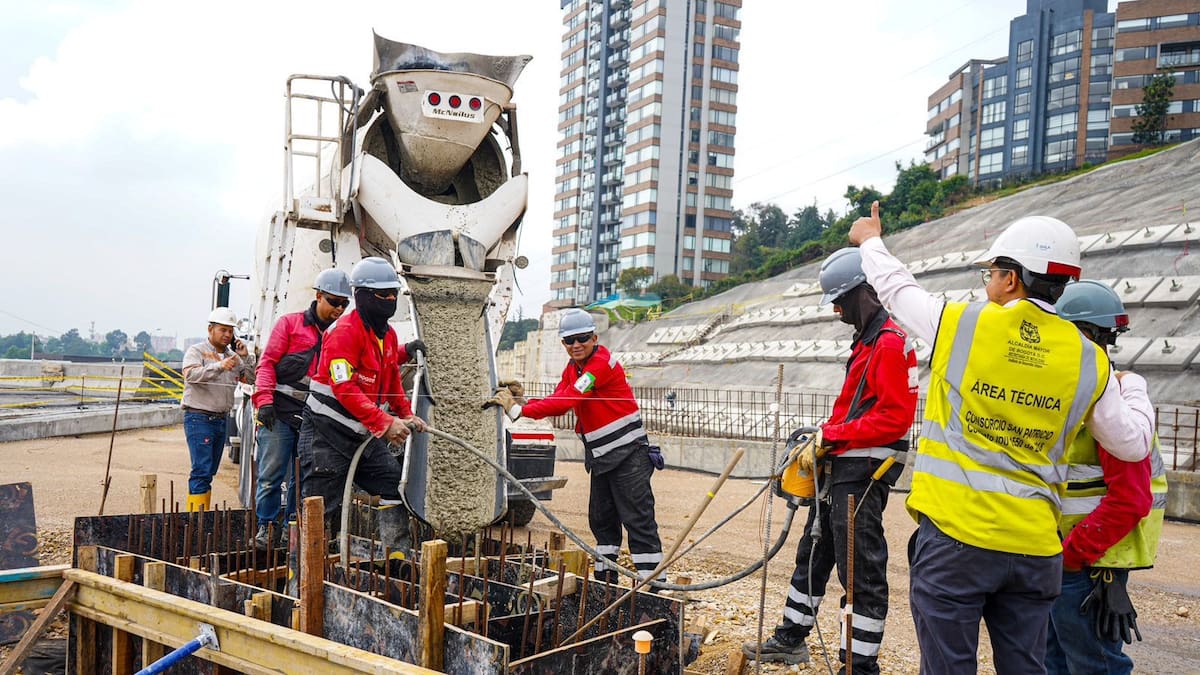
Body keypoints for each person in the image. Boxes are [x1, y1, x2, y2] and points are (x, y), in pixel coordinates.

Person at [848, 202, 1154, 674]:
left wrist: (871, 239)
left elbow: (897, 289)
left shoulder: (965, 325)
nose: (987, 284)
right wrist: (1132, 387)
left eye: (990, 274)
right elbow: (1132, 445)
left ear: (1012, 278)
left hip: (956, 541)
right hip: (1034, 552)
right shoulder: (1088, 358)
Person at [742, 248, 919, 671]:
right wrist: (820, 438)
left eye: (841, 300)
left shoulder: (890, 344)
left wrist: (831, 435)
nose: (837, 310)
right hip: (843, 470)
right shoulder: (867, 342)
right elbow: (853, 409)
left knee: (860, 571)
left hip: (865, 475)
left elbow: (894, 419)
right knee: (814, 550)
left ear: (867, 293)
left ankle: (860, 666)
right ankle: (791, 638)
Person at [484, 308, 666, 582]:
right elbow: (560, 396)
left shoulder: (599, 366)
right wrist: (524, 402)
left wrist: (518, 412)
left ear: (594, 338)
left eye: (582, 338)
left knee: (637, 518)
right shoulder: (574, 369)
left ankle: (652, 582)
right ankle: (606, 580)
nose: (576, 345)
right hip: (604, 457)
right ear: (563, 344)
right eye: (570, 341)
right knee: (601, 519)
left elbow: (569, 401)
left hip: (630, 455)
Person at [1046, 280, 1167, 675]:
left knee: (1095, 665)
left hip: (1086, 563)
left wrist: (1070, 558)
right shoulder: (1077, 393)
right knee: (1053, 662)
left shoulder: (1113, 402)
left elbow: (1131, 499)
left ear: (1081, 334)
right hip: (1065, 558)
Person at [298, 256, 427, 558]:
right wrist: (385, 423)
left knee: (392, 484)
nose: (390, 299)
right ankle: (301, 579)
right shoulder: (344, 333)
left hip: (361, 436)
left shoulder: (388, 336)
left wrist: (406, 413)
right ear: (362, 296)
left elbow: (392, 381)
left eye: (393, 293)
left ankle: (397, 559)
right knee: (319, 508)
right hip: (325, 435)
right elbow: (345, 388)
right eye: (383, 295)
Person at [251, 268, 351, 549]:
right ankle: (267, 527)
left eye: (344, 303)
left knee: (304, 477)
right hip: (280, 412)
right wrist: (264, 401)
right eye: (333, 301)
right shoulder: (290, 325)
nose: (339, 308)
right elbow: (267, 363)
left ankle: (292, 529)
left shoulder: (340, 334)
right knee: (271, 473)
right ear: (318, 296)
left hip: (315, 418)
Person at [181, 307, 256, 512]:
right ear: (210, 329)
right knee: (201, 470)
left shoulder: (235, 357)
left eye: (230, 331)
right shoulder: (197, 351)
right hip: (199, 417)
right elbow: (190, 375)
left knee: (210, 470)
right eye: (223, 330)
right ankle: (196, 518)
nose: (227, 335)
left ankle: (200, 513)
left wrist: (246, 357)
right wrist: (220, 366)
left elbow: (250, 380)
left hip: (220, 419)